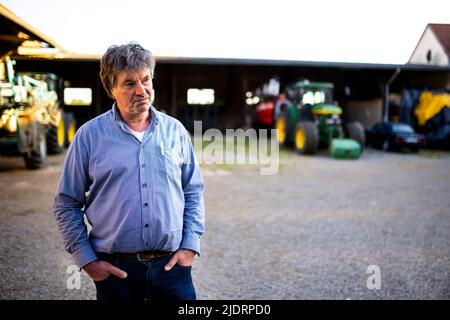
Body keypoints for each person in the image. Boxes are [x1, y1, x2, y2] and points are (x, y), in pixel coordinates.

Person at [53, 42, 205, 300]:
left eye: (146, 80)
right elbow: (66, 202)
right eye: (129, 83)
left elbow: (193, 191)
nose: (141, 90)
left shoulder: (175, 131)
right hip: (116, 273)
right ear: (111, 89)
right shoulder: (89, 137)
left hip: (172, 269)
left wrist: (190, 245)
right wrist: (87, 261)